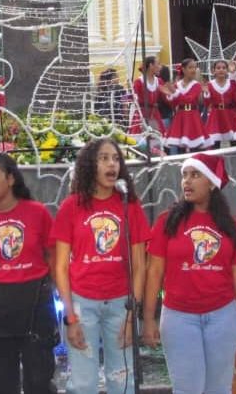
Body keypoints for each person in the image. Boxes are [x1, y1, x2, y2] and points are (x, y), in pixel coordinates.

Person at [142, 153, 236, 394]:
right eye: (184, 175)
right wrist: (149, 318)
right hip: (179, 318)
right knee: (187, 389)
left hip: (223, 316)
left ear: (212, 183)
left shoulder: (231, 226)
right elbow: (154, 273)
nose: (187, 182)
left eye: (195, 175)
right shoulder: (167, 221)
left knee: (219, 389)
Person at [52, 137, 150, 394]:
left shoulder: (130, 206)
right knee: (83, 383)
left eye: (116, 159)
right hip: (83, 303)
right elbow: (60, 267)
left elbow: (140, 265)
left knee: (122, 380)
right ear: (89, 165)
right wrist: (70, 318)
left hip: (121, 304)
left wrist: (133, 314)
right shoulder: (71, 207)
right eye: (104, 158)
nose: (112, 165)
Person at [0, 153, 57, 394]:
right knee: (3, 384)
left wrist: (66, 303)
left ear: (11, 178)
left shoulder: (38, 213)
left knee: (39, 382)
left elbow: (53, 258)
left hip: (37, 305)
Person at [163, 58, 207, 155]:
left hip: (193, 117)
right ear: (183, 69)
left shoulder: (196, 85)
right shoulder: (177, 85)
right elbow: (173, 104)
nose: (193, 70)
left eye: (195, 67)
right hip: (180, 117)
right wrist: (169, 96)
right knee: (179, 147)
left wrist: (174, 92)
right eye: (190, 67)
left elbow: (189, 99)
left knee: (195, 146)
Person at [129, 56, 170, 152]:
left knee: (156, 141)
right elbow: (134, 99)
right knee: (142, 143)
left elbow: (166, 99)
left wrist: (171, 93)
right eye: (158, 64)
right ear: (151, 65)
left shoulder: (158, 81)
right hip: (142, 115)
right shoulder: (139, 82)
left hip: (155, 115)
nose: (160, 67)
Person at [202, 59, 236, 149]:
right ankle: (217, 162)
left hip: (230, 115)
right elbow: (206, 103)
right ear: (213, 71)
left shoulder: (231, 83)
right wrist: (206, 94)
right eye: (218, 68)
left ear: (227, 70)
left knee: (234, 143)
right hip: (216, 116)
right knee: (216, 143)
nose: (221, 70)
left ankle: (234, 161)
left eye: (224, 68)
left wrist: (233, 74)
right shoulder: (209, 84)